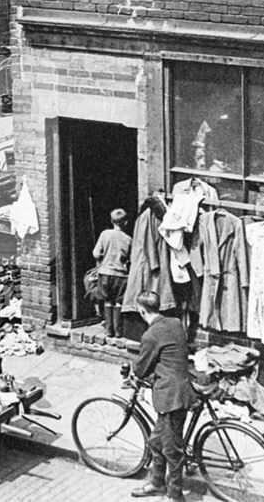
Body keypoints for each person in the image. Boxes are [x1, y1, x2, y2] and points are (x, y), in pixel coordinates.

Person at [131, 291, 197, 502]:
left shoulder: (150, 336)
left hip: (171, 398)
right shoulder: (175, 322)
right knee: (156, 442)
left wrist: (134, 373)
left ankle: (176, 495)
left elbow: (142, 368)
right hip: (182, 388)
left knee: (172, 450)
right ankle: (157, 483)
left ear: (142, 311)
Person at [93, 208, 132, 337]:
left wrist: (102, 255)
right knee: (118, 301)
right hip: (121, 275)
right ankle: (118, 331)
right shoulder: (128, 239)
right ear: (125, 222)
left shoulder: (105, 234)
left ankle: (109, 330)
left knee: (108, 301)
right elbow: (130, 259)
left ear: (111, 221)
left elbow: (96, 253)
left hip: (105, 273)